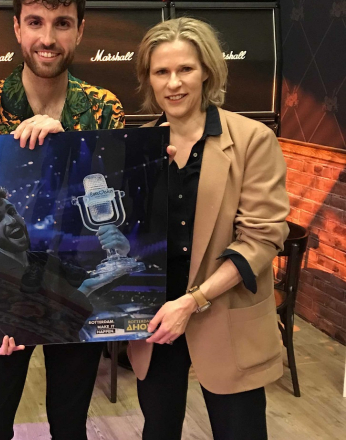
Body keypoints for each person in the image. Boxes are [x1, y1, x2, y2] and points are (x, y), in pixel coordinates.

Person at [0, 1, 125, 439]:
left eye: (62, 23)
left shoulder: (104, 108)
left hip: (68, 277)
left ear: (79, 30)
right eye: (35, 22)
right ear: (17, 27)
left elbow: (112, 193)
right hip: (6, 318)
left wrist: (73, 150)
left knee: (70, 424)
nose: (48, 38)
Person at [126, 17, 290, 440]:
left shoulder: (252, 139)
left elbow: (262, 239)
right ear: (148, 78)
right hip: (157, 320)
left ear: (207, 72)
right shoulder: (137, 147)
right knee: (158, 429)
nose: (173, 83)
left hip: (225, 314)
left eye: (185, 69)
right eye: (161, 71)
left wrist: (192, 301)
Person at [0, 184, 130, 345]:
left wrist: (120, 255)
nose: (11, 220)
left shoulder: (43, 259)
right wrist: (85, 289)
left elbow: (95, 283)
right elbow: (36, 333)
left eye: (11, 212)